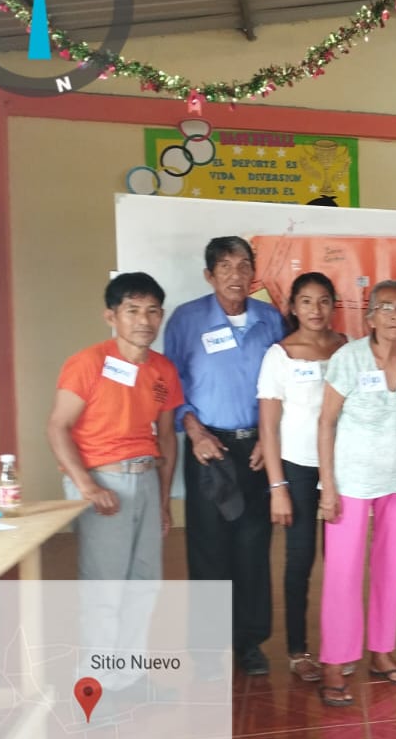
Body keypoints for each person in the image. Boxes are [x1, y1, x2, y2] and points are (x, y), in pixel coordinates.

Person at [47, 273, 183, 699]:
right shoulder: (88, 363)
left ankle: (129, 677)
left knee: (144, 585)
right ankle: (96, 687)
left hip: (146, 481)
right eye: (132, 310)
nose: (144, 320)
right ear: (111, 316)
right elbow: (58, 427)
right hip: (103, 482)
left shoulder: (163, 369)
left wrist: (163, 501)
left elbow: (167, 438)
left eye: (152, 311)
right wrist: (87, 486)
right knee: (105, 590)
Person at [164, 236, 286, 676]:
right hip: (207, 447)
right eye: (226, 267)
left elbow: (284, 384)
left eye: (244, 266)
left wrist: (268, 439)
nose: (236, 275)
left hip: (258, 446)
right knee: (209, 548)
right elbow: (170, 383)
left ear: (254, 273)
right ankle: (207, 650)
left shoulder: (271, 320)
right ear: (209, 275)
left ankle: (249, 643)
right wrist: (194, 431)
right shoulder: (186, 319)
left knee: (253, 546)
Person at [315, 280, 396, 706]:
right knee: (343, 574)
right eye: (386, 307)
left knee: (393, 569)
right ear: (369, 317)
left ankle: (382, 652)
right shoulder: (348, 358)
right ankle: (334, 662)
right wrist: (328, 487)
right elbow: (326, 422)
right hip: (351, 483)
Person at [256, 272, 347, 684]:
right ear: (293, 307)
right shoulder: (280, 355)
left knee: (341, 563)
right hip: (297, 468)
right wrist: (278, 487)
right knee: (300, 559)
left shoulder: (346, 347)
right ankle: (298, 650)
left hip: (341, 468)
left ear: (333, 305)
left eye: (324, 300)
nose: (316, 309)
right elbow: (268, 427)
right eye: (306, 301)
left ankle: (338, 647)